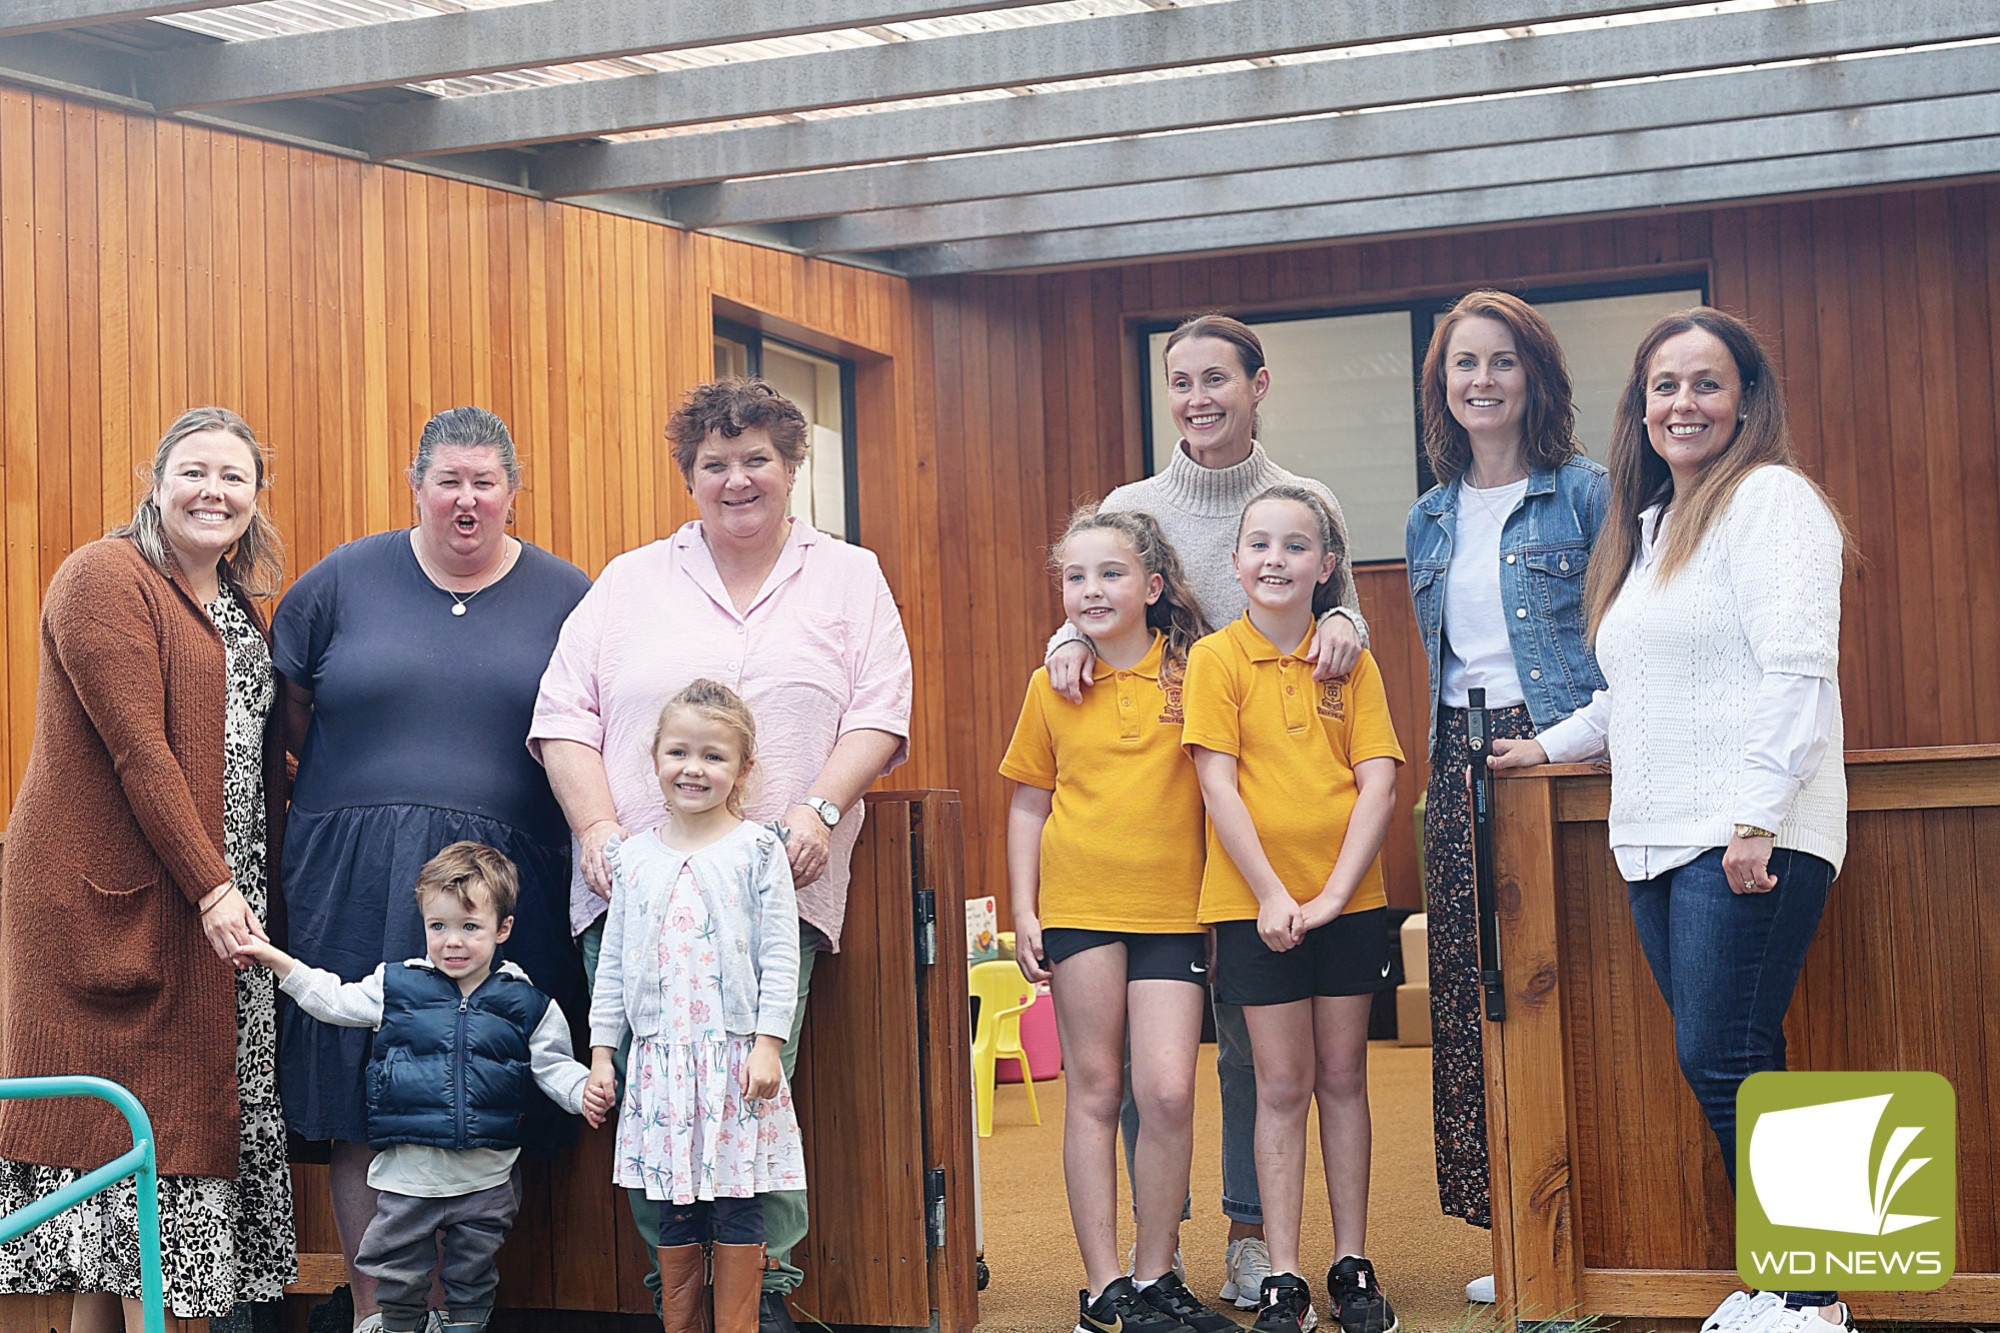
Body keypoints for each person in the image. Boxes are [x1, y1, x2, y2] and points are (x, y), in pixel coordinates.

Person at [1490, 308, 1852, 1333]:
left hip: (1742, 832)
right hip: (1653, 834)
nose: (1681, 403)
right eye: (1662, 386)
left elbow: (1795, 673)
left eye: (1704, 383)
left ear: (1744, 400)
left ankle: (1815, 1295)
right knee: (1728, 1052)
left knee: (1726, 1051)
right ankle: (1786, 1277)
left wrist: (1752, 818)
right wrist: (1547, 746)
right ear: (1638, 409)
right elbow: (1633, 691)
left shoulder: (1770, 502)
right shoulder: (1649, 529)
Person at [532, 378, 912, 1331]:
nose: (736, 479)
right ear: (689, 475)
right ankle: (677, 1301)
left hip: (774, 890)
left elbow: (879, 710)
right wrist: (595, 829)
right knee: (657, 1103)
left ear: (791, 467)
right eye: (714, 463)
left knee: (753, 1097)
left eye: (756, 460)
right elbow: (559, 716)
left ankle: (765, 1298)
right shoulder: (628, 581)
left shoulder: (850, 575)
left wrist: (821, 807)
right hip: (638, 890)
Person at [1043, 314, 1370, 1305]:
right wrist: (1058, 640)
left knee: (1244, 1027)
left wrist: (1348, 619)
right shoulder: (1131, 504)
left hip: (1263, 805)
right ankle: (1157, 1247)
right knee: (1158, 1051)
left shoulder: (1302, 499)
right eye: (1179, 381)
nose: (1196, 398)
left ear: (1256, 384)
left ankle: (1245, 1226)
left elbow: (1338, 603)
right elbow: (1095, 601)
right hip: (1161, 804)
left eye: (1215, 379)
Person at [273, 405, 592, 1331]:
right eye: (448, 480)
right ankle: (379, 1312)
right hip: (353, 874)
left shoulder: (568, 593)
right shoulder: (339, 580)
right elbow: (287, 710)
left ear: (511, 491)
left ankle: (460, 1314)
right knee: (359, 1090)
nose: (466, 498)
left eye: (484, 481)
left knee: (480, 1081)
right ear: (416, 486)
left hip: (501, 880)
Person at [0, 407, 294, 1328]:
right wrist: (212, 887)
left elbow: (248, 749)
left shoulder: (238, 608)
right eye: (195, 472)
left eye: (234, 477)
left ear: (254, 496)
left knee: (131, 1212)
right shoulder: (103, 578)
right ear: (155, 480)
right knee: (137, 1157)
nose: (214, 491)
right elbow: (141, 752)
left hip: (217, 906)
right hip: (127, 910)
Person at [1402, 290, 1608, 1301]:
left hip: (1563, 752)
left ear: (1535, 376)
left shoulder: (1584, 493)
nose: (1478, 381)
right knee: (1472, 998)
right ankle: (1512, 1232)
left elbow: (1622, 642)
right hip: (1459, 759)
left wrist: (1561, 746)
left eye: (1499, 362)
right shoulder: (1428, 515)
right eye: (1460, 365)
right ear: (1440, 386)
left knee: (1566, 985)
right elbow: (1438, 665)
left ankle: (1598, 1217)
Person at [1001, 507, 1235, 1333]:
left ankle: (1156, 1272)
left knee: (1168, 1089)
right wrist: (1025, 908)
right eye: (1075, 577)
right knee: (1096, 1089)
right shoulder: (1051, 683)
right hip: (1079, 907)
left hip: (1175, 911)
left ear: (1154, 586)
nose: (1092, 590)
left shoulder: (1196, 671)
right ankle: (1105, 1289)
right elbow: (1029, 804)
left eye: (1111, 573)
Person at [1182, 486, 1405, 1333]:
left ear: (1327, 566)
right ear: (1236, 562)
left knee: (1344, 1078)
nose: (1275, 559)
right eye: (1259, 545)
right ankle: (1282, 1272)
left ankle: (1351, 1259)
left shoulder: (1352, 659)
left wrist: (1336, 896)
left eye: (1296, 546)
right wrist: (1275, 894)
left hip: (1347, 903)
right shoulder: (1216, 660)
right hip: (1254, 907)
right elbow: (1216, 781)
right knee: (1280, 1084)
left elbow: (1378, 778)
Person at [237, 842, 610, 1333]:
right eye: (439, 927)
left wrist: (583, 1090)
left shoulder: (526, 1003)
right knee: (397, 1276)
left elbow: (553, 1066)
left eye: (469, 928)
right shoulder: (398, 988)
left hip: (487, 1178)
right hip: (408, 1179)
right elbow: (334, 1000)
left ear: (503, 929)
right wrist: (277, 962)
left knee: (473, 1279)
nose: (452, 942)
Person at [585, 681, 807, 1333]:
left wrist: (769, 1041)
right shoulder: (633, 859)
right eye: (679, 750)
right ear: (653, 757)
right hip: (661, 1066)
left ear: (744, 767)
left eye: (714, 755)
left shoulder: (759, 849)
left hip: (736, 1061)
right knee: (675, 1207)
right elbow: (616, 966)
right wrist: (602, 1055)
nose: (694, 767)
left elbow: (780, 953)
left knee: (740, 1200)